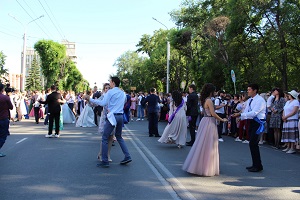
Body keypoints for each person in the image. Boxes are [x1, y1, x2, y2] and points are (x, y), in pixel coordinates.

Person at [85, 76, 132, 168]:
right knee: (119, 137)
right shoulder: (122, 93)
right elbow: (124, 102)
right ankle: (127, 156)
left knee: (105, 138)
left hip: (112, 116)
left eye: (110, 82)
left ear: (113, 83)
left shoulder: (110, 92)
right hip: (120, 116)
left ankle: (105, 160)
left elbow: (102, 103)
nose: (109, 84)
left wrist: (90, 99)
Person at [182, 83, 227, 176]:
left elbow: (203, 112)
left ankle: (199, 164)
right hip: (209, 122)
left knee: (202, 143)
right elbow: (213, 113)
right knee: (209, 144)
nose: (215, 92)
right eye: (214, 91)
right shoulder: (209, 101)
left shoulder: (204, 100)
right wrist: (222, 119)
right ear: (211, 91)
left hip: (205, 121)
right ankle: (206, 166)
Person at [232, 83, 266, 172]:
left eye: (249, 89)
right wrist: (240, 117)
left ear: (255, 90)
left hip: (258, 123)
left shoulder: (260, 100)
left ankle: (258, 165)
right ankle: (255, 164)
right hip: (251, 122)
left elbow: (254, 113)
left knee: (253, 143)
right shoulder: (250, 100)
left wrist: (240, 114)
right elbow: (246, 110)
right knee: (252, 143)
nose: (248, 91)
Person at [0, 83, 13, 157]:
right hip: (3, 118)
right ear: (2, 89)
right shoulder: (5, 98)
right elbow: (11, 107)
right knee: (3, 136)